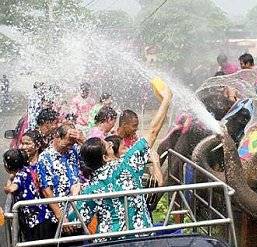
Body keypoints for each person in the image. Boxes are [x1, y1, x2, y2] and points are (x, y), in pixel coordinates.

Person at [70, 84, 172, 241]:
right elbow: (153, 131)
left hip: (110, 240)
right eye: (108, 146)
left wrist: (75, 195)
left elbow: (73, 222)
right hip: (141, 237)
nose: (111, 144)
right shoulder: (127, 165)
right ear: (104, 157)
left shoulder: (90, 189)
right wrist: (166, 99)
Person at [37, 124, 84, 231]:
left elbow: (93, 156)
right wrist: (61, 216)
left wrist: (82, 139)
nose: (70, 146)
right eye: (68, 142)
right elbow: (46, 190)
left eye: (72, 143)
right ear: (57, 137)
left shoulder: (74, 150)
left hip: (78, 210)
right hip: (61, 215)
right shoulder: (45, 157)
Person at [3, 149, 57, 242]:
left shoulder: (19, 177)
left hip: (36, 222)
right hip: (43, 217)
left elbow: (12, 188)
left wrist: (7, 186)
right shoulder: (26, 169)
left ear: (8, 166)